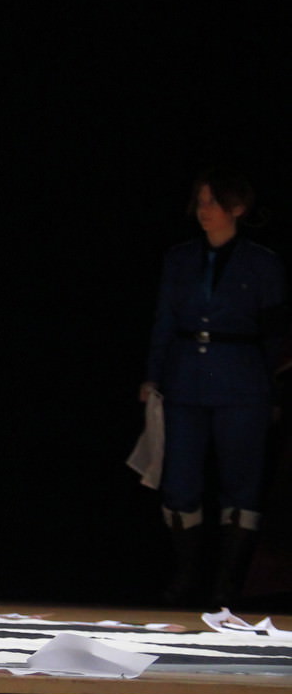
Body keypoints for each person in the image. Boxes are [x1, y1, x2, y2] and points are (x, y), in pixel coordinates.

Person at [142, 170, 286, 608]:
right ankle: (185, 575)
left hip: (242, 382)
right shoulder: (180, 258)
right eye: (201, 201)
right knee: (179, 482)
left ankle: (226, 583)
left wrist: (273, 390)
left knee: (241, 483)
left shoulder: (262, 263)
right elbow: (164, 321)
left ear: (236, 209)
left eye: (214, 202)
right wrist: (153, 376)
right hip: (186, 379)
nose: (205, 210)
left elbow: (276, 333)